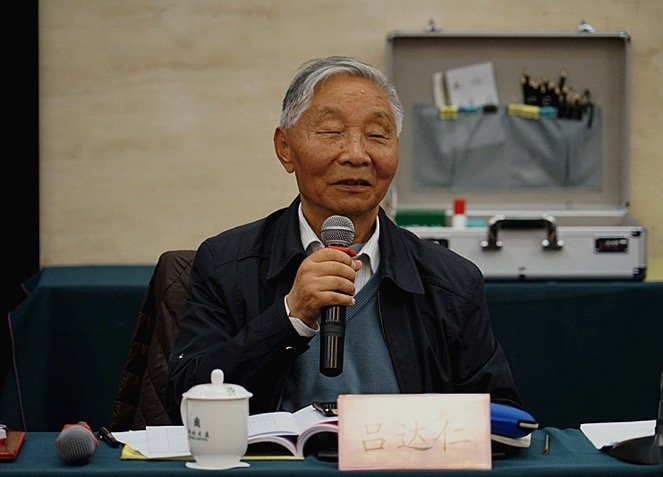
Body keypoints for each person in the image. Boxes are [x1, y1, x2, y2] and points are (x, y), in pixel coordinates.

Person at [165, 56, 521, 421]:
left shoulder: (451, 282)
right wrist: (290, 317)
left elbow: (501, 415)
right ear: (285, 147)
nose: (356, 155)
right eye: (332, 132)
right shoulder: (226, 264)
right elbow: (185, 402)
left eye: (377, 135)